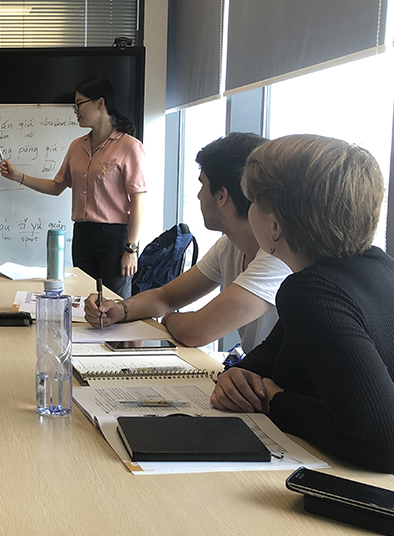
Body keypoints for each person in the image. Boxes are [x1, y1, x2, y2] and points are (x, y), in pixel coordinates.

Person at [211, 134, 394, 472]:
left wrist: (274, 401)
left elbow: (382, 442)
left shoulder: (309, 292)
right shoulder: (379, 266)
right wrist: (235, 376)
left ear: (274, 225)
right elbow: (271, 355)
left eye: (252, 202)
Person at [84, 133, 291, 353]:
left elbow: (197, 331)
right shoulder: (229, 245)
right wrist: (119, 309)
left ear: (221, 196)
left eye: (203, 185)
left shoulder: (277, 259)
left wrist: (169, 318)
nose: (199, 196)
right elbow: (166, 296)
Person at [0, 76, 145, 298]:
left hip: (115, 238)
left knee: (115, 304)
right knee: (83, 300)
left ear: (100, 103)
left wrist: (131, 248)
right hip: (83, 235)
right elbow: (57, 186)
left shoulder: (129, 146)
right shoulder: (77, 146)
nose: (76, 111)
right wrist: (18, 177)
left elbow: (138, 201)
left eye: (79, 104)